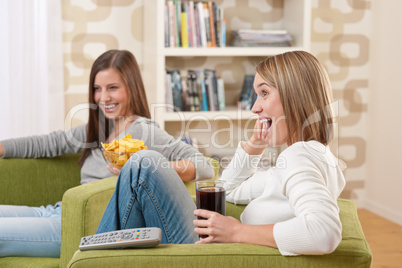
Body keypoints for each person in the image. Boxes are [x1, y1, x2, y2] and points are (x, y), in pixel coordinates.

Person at [97, 50, 346, 256]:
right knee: (142, 167)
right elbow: (228, 188)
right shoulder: (310, 155)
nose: (255, 107)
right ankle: (98, 253)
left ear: (295, 96)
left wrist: (236, 232)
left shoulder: (299, 156)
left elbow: (324, 232)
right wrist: (255, 144)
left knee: (143, 162)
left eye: (265, 93)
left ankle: (93, 254)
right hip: (215, 245)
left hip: (212, 254)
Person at [0, 49, 214, 258]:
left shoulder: (142, 129)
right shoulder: (100, 127)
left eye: (113, 87)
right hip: (57, 210)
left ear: (132, 88)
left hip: (79, 227)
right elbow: (48, 143)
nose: (103, 98)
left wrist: (144, 168)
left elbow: (203, 166)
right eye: (97, 88)